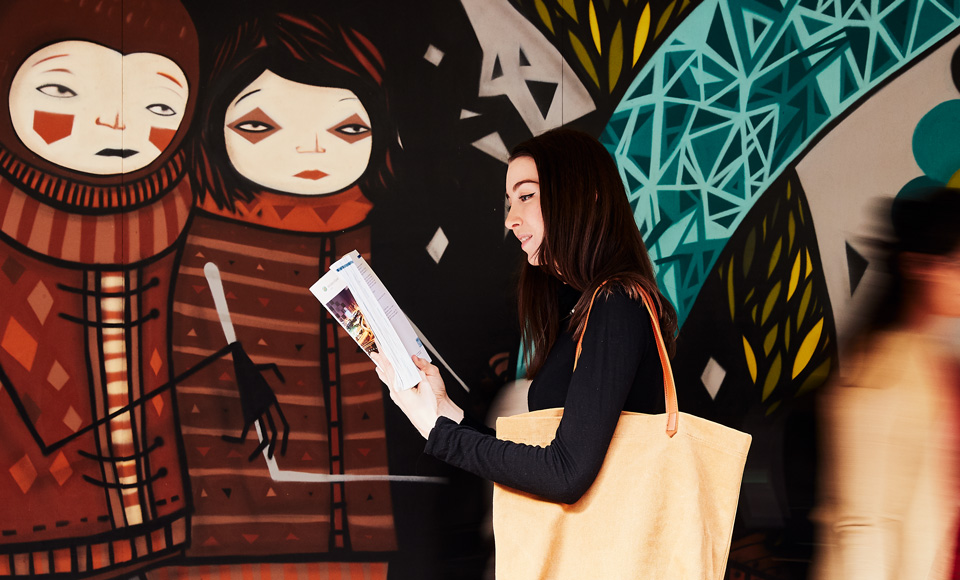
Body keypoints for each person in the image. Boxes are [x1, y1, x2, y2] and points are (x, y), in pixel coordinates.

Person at [171, 9, 402, 557]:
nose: (313, 150)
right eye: (260, 125)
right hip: (224, 530)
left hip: (369, 531)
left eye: (347, 128)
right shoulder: (200, 246)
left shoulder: (382, 239)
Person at [373, 127, 678, 504]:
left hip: (608, 560)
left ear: (587, 196)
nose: (510, 218)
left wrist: (439, 433)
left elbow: (565, 474)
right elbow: (546, 462)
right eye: (509, 202)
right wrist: (444, 412)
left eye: (527, 196)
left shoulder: (616, 305)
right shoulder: (583, 307)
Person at [812, 187, 960, 580]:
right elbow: (863, 523)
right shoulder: (880, 369)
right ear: (919, 265)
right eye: (957, 264)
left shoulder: (931, 359)